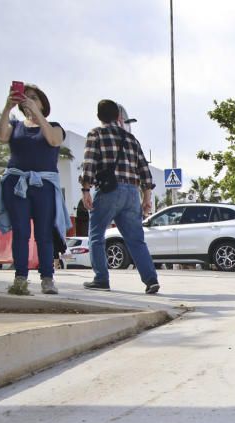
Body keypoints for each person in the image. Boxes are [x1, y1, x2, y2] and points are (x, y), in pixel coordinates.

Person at [0, 83, 70, 295]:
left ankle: (47, 278)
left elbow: (53, 140)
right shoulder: (16, 126)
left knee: (44, 234)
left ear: (42, 102)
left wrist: (37, 114)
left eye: (34, 97)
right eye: (26, 97)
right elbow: (1, 136)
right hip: (18, 186)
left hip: (43, 186)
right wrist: (7, 108)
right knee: (21, 232)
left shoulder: (54, 126)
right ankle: (20, 278)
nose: (29, 100)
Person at [80, 99, 159, 294]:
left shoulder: (95, 134)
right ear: (118, 117)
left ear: (99, 117)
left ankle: (101, 278)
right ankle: (151, 280)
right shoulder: (131, 139)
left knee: (96, 235)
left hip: (108, 191)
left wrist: (86, 189)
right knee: (135, 239)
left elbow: (89, 164)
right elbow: (144, 171)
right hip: (132, 193)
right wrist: (146, 198)